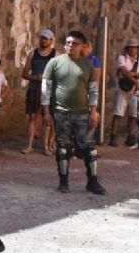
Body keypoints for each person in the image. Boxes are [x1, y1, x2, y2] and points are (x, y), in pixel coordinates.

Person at [41, 30, 106, 195]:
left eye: (75, 43)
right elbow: (46, 89)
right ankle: (63, 182)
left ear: (82, 46)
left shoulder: (88, 65)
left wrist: (93, 111)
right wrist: (46, 112)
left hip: (82, 112)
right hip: (61, 112)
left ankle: (92, 182)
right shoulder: (54, 63)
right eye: (68, 43)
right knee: (63, 147)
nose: (71, 46)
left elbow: (93, 90)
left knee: (89, 147)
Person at [21, 29, 56, 155]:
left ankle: (45, 146)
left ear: (51, 40)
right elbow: (24, 74)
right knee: (32, 117)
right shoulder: (33, 54)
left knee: (48, 118)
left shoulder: (56, 55)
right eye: (42, 38)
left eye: (46, 38)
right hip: (34, 89)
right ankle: (29, 145)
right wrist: (36, 77)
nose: (43, 40)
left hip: (49, 90)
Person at [109, 39, 139, 147]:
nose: (133, 49)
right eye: (131, 47)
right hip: (123, 89)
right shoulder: (122, 58)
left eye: (135, 47)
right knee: (118, 113)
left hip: (134, 90)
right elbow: (124, 72)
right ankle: (113, 136)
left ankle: (130, 137)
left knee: (133, 114)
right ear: (127, 48)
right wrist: (135, 78)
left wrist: (132, 74)